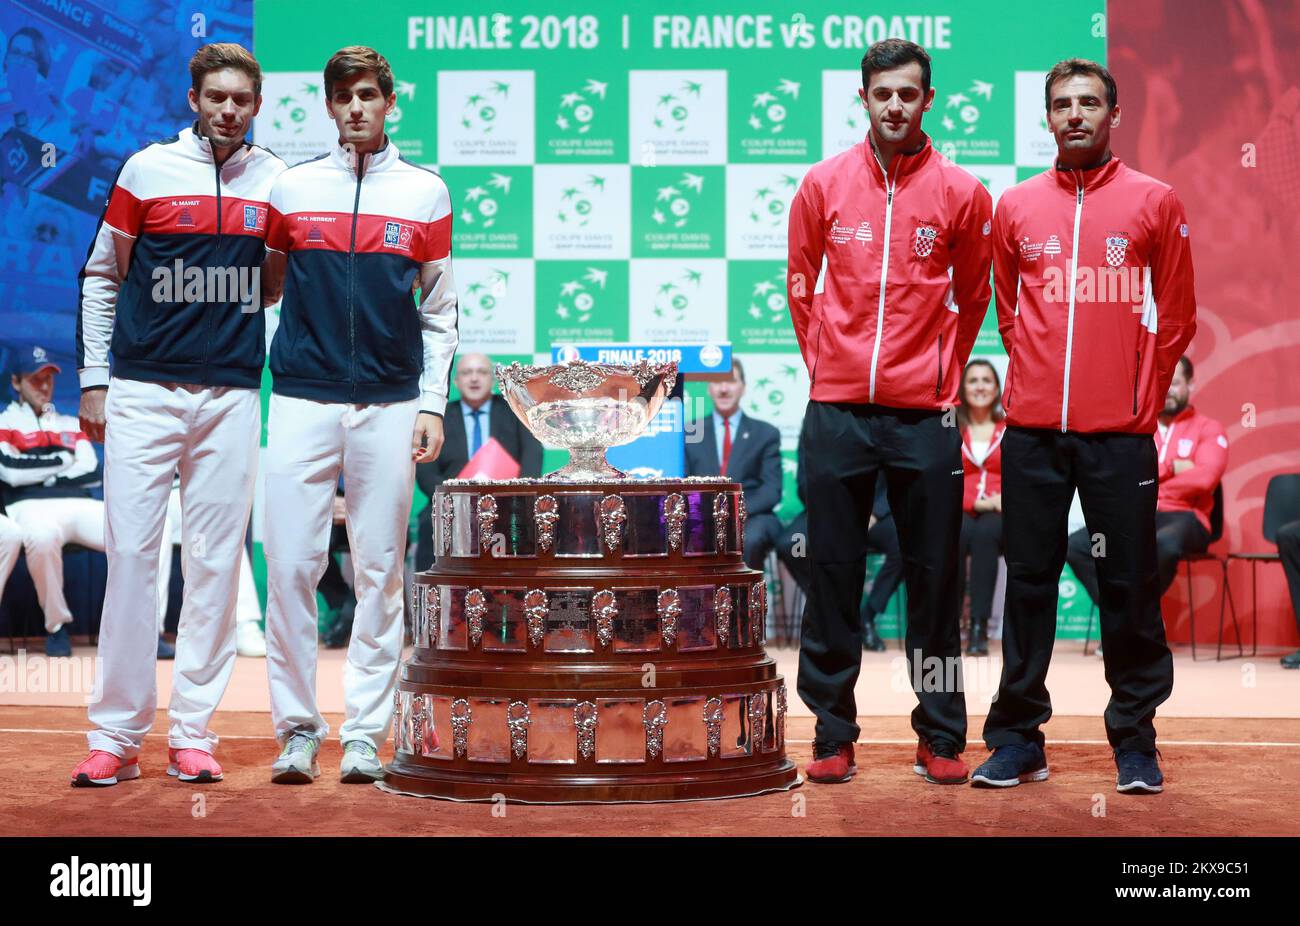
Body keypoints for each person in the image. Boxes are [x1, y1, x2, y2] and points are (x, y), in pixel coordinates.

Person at [974, 59, 1197, 795]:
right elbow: (1008, 312)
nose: (1075, 114)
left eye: (1090, 103)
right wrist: (1033, 378)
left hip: (1120, 434)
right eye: (1062, 104)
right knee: (1031, 582)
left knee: (1127, 585)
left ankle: (1135, 741)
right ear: (1047, 118)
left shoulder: (1155, 202)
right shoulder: (1015, 207)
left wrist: (1142, 396)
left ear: (1113, 115)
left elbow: (1178, 316)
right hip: (1033, 432)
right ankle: (1016, 739)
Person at [71, 43, 285, 787]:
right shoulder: (146, 170)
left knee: (217, 567)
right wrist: (95, 378)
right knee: (132, 558)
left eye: (242, 100)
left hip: (229, 394)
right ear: (194, 98)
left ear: (257, 106)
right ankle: (116, 737)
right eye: (217, 96)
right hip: (141, 389)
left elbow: (277, 286)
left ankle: (193, 732)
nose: (229, 110)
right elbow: (102, 276)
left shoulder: (278, 182)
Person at [786, 38, 992, 786]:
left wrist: (938, 373)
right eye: (883, 93)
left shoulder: (964, 193)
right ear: (864, 98)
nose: (895, 105)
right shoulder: (822, 184)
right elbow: (801, 285)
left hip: (923, 417)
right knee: (832, 575)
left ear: (927, 100)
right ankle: (832, 735)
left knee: (935, 580)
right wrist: (831, 368)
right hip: (837, 412)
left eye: (909, 93)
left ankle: (939, 733)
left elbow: (974, 298)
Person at [261, 46, 458, 785]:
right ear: (328, 104)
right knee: (291, 567)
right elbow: (271, 289)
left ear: (389, 101)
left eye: (368, 94)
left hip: (389, 401)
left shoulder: (426, 193)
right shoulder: (291, 187)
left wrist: (431, 402)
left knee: (378, 570)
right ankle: (297, 729)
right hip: (302, 397)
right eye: (342, 96)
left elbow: (439, 315)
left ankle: (366, 734)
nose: (356, 108)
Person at [1, 348, 174, 659]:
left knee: (152, 530)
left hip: (78, 506)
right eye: (35, 379)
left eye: (48, 379)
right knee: (41, 536)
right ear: (16, 383)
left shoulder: (68, 422)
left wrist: (40, 469)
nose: (44, 386)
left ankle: (149, 630)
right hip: (27, 506)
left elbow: (91, 472)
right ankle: (56, 626)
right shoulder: (4, 422)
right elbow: (10, 474)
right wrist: (62, 459)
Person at [1066, 356, 1226, 615]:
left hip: (1185, 518)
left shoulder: (1209, 428)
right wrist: (1172, 468)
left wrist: (1149, 485)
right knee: (1076, 546)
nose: (1168, 391)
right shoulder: (1138, 429)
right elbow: (1120, 478)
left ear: (1190, 385)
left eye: (1175, 384)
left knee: (1164, 544)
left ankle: (1135, 619)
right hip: (1137, 515)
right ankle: (1123, 617)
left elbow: (1206, 478)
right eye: (1163, 384)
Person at [777, 423, 900, 652]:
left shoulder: (879, 419)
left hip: (873, 515)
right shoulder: (817, 420)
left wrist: (873, 512)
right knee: (789, 544)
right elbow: (805, 480)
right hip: (826, 511)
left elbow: (895, 475)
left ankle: (867, 616)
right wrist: (833, 512)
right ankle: (831, 610)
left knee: (904, 542)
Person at [414, 351, 542, 572]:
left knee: (528, 521)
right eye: (467, 373)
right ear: (455, 381)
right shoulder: (438, 417)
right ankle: (433, 597)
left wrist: (517, 496)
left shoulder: (515, 411)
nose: (474, 378)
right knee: (428, 521)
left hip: (508, 502)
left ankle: (521, 596)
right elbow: (425, 469)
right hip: (450, 503)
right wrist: (452, 500)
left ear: (492, 380)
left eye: (482, 372)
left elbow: (532, 455)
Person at [685, 358, 782, 571]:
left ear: (743, 388)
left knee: (750, 537)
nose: (724, 389)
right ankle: (699, 601)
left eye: (731, 381)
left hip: (752, 516)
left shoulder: (765, 433)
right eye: (718, 381)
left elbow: (771, 490)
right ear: (709, 388)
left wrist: (735, 511)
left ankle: (744, 601)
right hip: (703, 516)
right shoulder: (691, 431)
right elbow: (682, 482)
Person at [957, 359, 1007, 656]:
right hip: (962, 509)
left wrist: (1003, 500)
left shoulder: (1008, 429)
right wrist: (974, 502)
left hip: (999, 513)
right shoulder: (951, 426)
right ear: (963, 388)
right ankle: (950, 626)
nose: (979, 386)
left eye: (986, 380)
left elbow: (1021, 472)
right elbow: (942, 476)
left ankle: (978, 627)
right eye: (973, 380)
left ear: (997, 388)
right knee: (956, 534)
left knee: (986, 534)